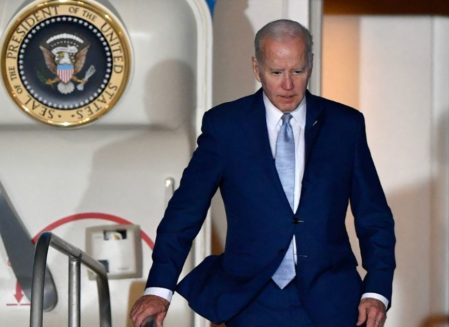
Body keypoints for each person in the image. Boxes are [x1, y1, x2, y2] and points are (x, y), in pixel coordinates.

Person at [130, 19, 395, 327]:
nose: (288, 84)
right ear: (257, 69)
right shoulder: (226, 126)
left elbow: (373, 216)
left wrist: (377, 289)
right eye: (276, 72)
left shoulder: (344, 125)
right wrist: (159, 289)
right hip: (251, 299)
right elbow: (185, 210)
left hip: (331, 300)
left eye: (298, 71)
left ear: (310, 65)